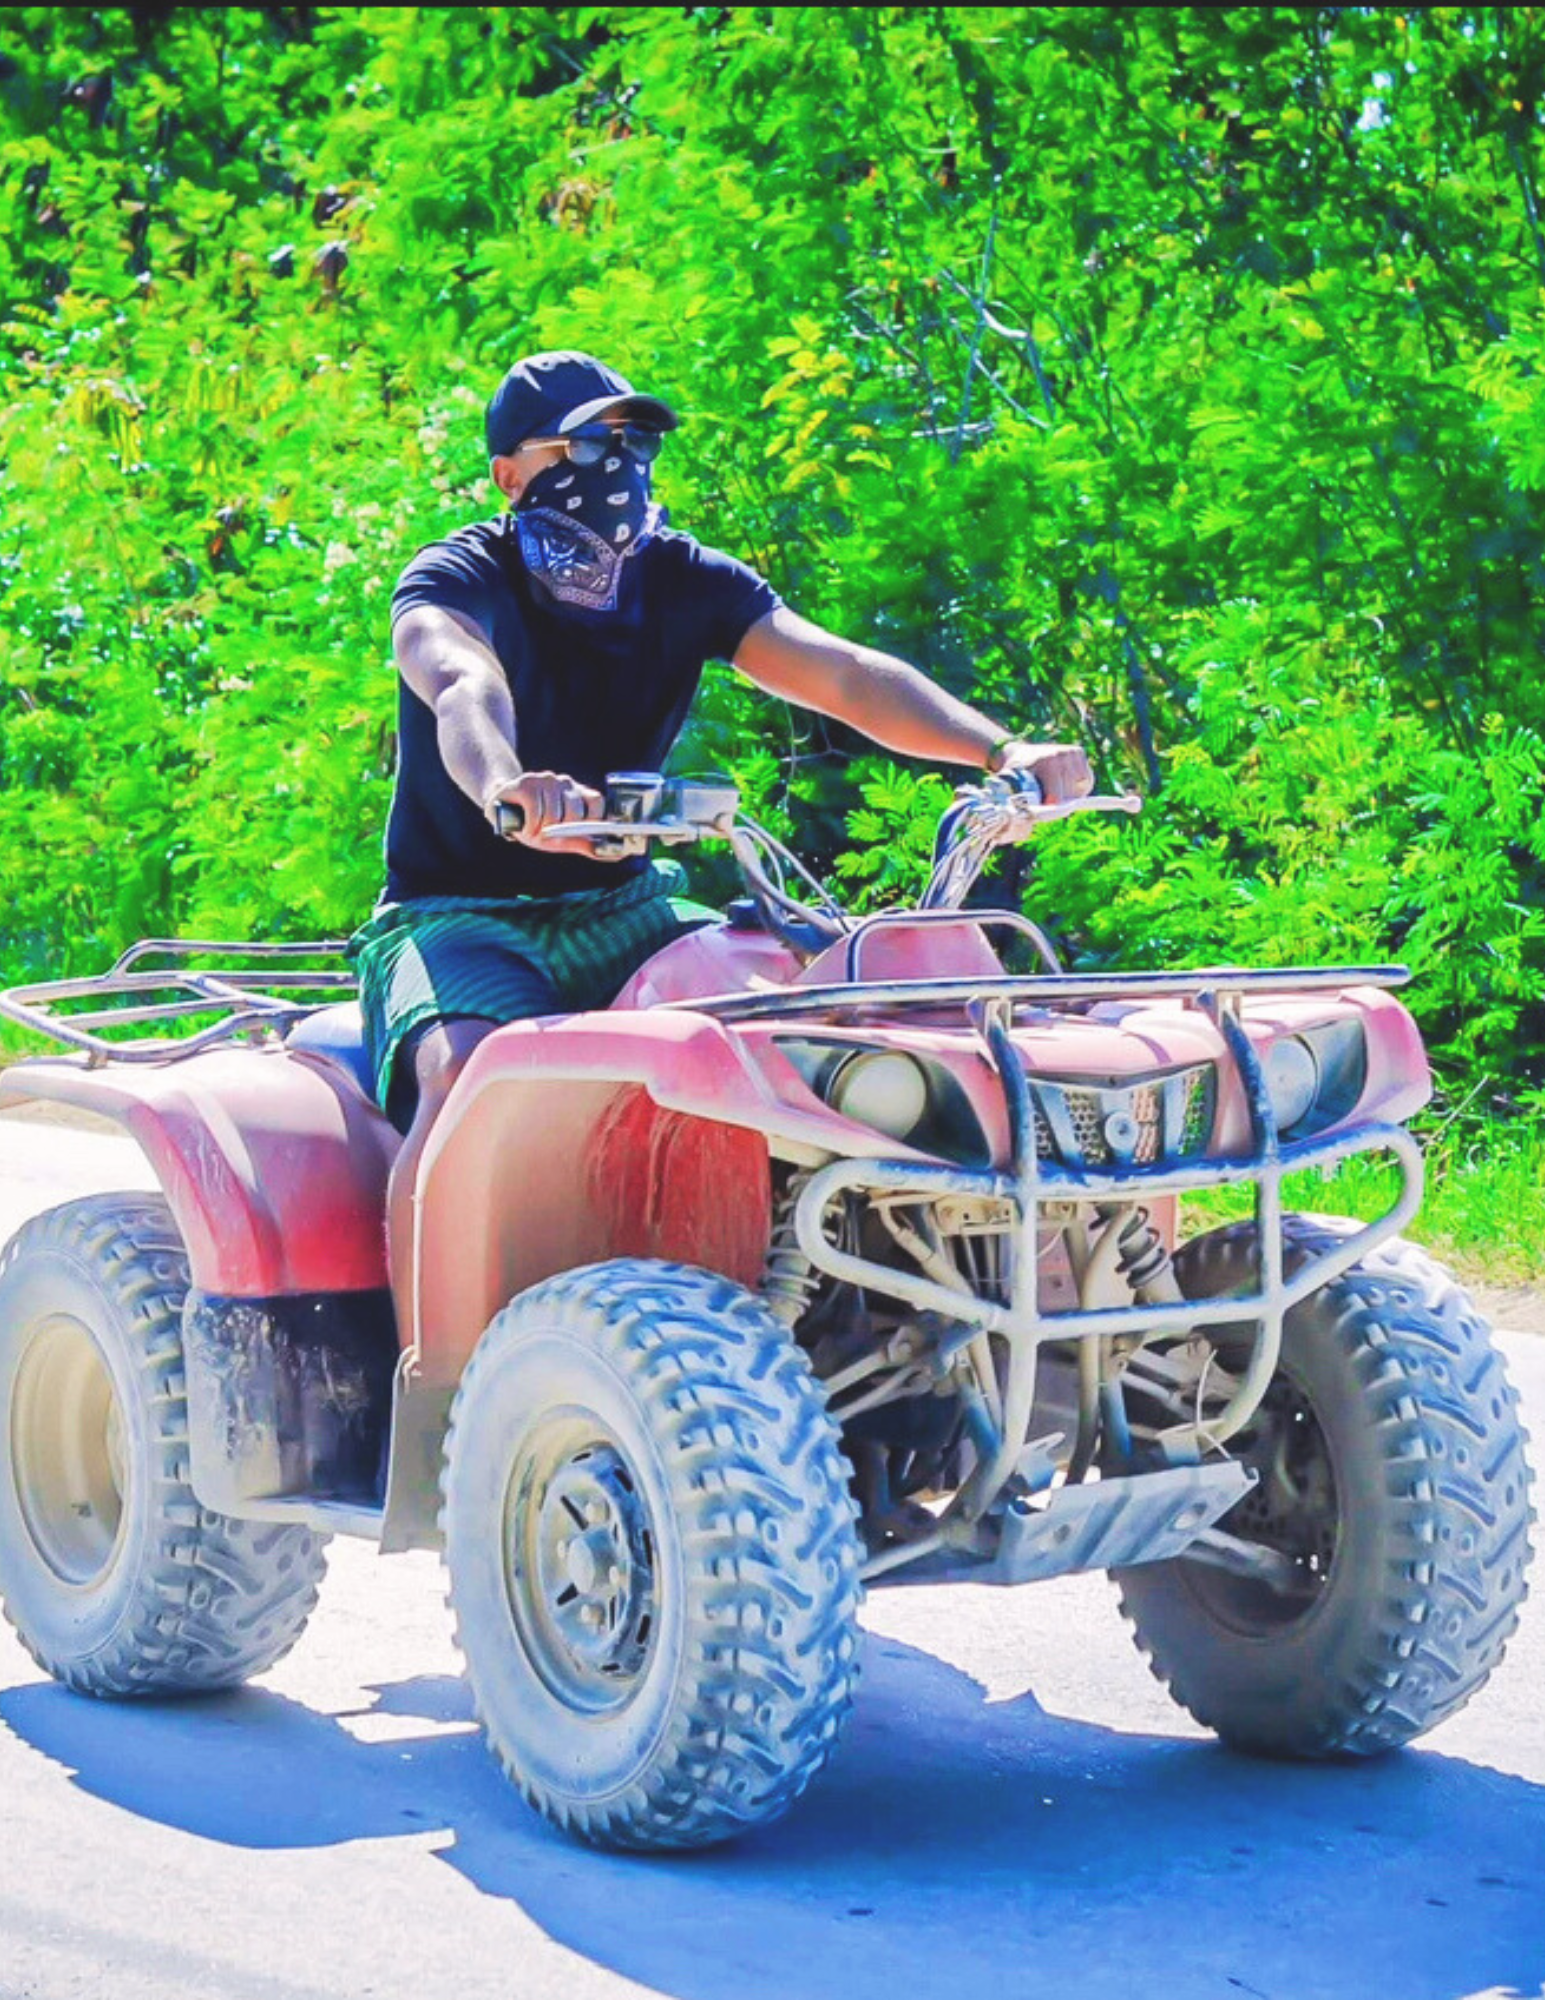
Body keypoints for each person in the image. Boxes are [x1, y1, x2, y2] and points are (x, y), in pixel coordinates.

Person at [353, 349, 1092, 1301]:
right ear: (509, 472)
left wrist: (1002, 755)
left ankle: (853, 1294)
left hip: (624, 906)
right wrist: (510, 788)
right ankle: (441, 1367)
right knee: (469, 1076)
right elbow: (459, 680)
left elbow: (844, 675)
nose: (613, 465)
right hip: (457, 916)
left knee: (809, 1015)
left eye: (632, 441)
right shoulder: (461, 573)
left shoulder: (678, 579)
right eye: (583, 443)